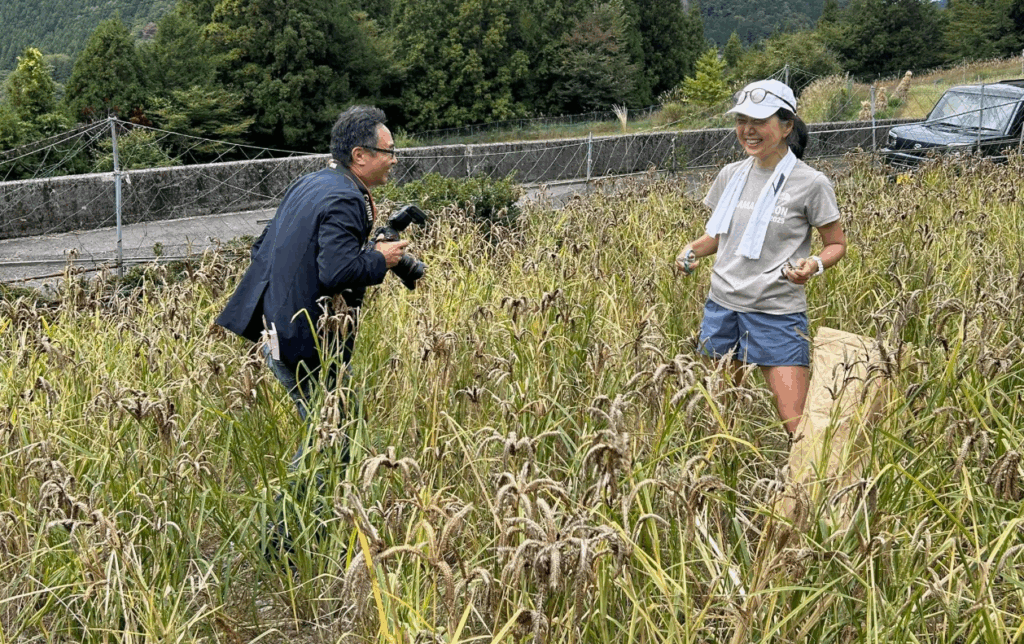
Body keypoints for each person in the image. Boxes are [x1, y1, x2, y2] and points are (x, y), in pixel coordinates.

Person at [216, 105, 409, 461]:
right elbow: (335, 273)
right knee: (332, 441)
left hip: (276, 332)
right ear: (360, 155)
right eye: (389, 151)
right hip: (306, 344)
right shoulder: (346, 197)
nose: (395, 159)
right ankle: (293, 500)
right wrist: (380, 258)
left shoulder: (311, 182)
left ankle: (328, 494)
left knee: (338, 429)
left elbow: (263, 246)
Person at [675, 79, 847, 437]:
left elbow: (836, 244)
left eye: (759, 121)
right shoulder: (730, 175)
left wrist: (813, 265)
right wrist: (690, 250)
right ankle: (728, 467)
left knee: (796, 422)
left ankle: (803, 473)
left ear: (786, 126)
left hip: (777, 313)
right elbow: (719, 237)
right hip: (722, 307)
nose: (748, 130)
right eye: (742, 120)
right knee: (720, 414)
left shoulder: (811, 183)